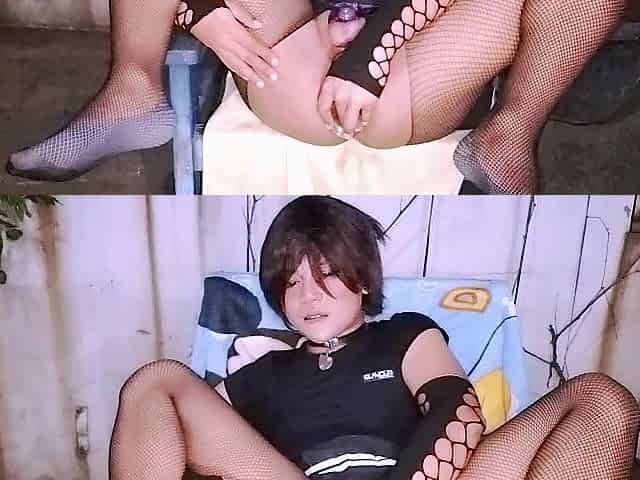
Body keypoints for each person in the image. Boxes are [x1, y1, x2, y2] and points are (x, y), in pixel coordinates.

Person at [109, 196, 640, 480]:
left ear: (362, 279)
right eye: (291, 283)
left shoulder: (404, 334)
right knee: (157, 380)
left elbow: (457, 408)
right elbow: (185, 438)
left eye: (325, 275)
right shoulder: (262, 372)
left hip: (428, 473)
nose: (308, 296)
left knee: (602, 398)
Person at [6, 0, 627, 193]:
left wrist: (371, 54)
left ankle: (511, 134)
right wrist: (203, 10)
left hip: (417, 68)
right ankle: (132, 87)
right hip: (295, 56)